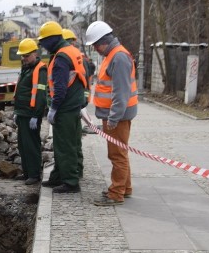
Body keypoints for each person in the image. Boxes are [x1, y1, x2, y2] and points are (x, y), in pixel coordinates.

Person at [84, 20, 139, 206]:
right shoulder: (113, 55)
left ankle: (116, 193)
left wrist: (113, 118)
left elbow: (120, 92)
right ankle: (125, 188)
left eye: (95, 46)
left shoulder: (118, 57)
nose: (95, 49)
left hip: (117, 116)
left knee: (116, 155)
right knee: (120, 152)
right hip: (114, 115)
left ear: (102, 42)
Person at [37, 21, 87, 193]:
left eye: (43, 40)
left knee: (65, 146)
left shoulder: (60, 57)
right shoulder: (72, 51)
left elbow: (60, 87)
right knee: (67, 144)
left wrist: (53, 108)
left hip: (65, 108)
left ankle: (71, 182)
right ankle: (59, 175)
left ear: (52, 39)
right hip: (73, 104)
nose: (41, 44)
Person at [12, 38, 48, 185]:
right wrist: (16, 111)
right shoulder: (26, 68)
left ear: (35, 53)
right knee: (22, 145)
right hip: (22, 113)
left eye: (26, 55)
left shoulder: (40, 69)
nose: (24, 58)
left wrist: (36, 115)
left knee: (31, 145)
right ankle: (27, 172)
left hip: (31, 114)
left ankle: (34, 174)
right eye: (22, 55)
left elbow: (40, 95)